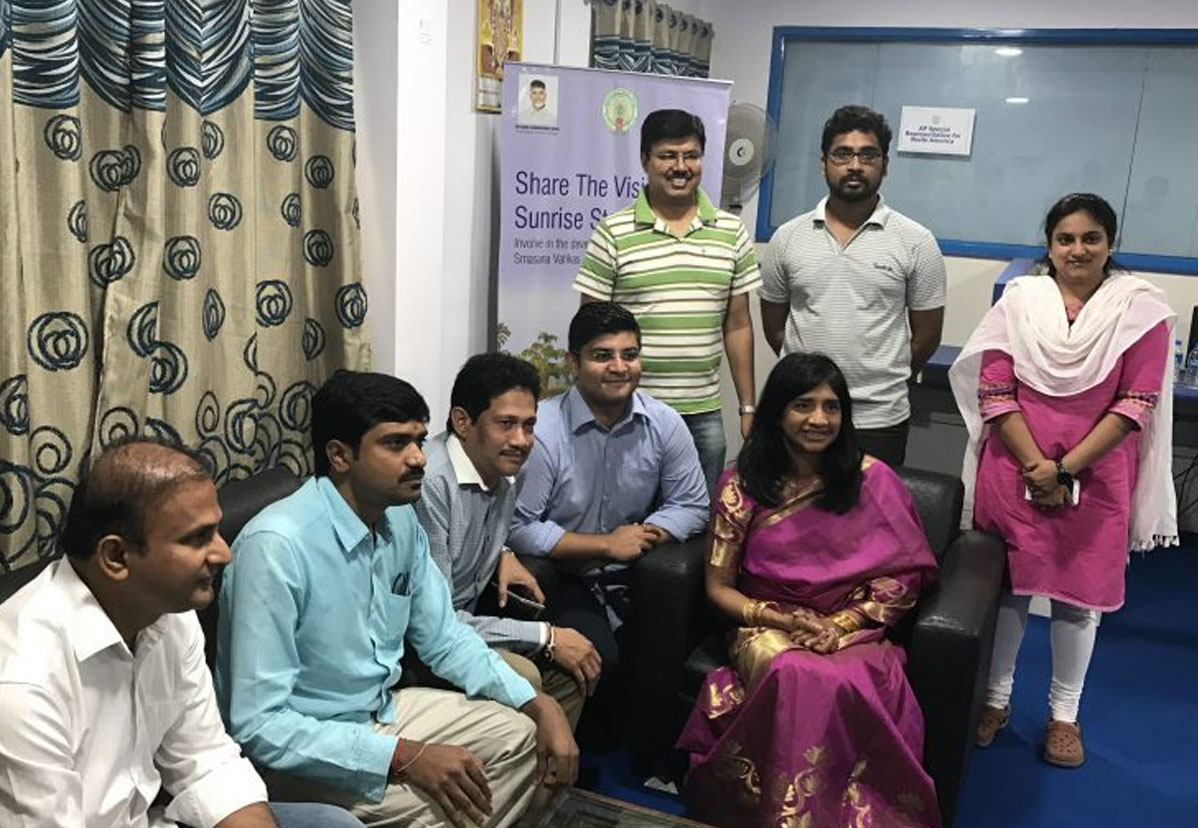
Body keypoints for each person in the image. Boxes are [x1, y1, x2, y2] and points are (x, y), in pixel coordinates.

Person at [215, 370, 577, 828]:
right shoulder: (276, 547)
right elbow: (260, 725)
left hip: (380, 709)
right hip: (300, 750)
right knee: (454, 802)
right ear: (340, 455)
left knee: (520, 736)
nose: (418, 458)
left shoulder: (399, 519)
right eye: (395, 443)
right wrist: (403, 757)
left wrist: (537, 703)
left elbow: (444, 637)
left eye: (419, 441)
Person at [0, 437, 362, 828]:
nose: (224, 553)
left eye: (217, 531)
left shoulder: (167, 611)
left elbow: (205, 759)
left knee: (333, 823)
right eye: (197, 538)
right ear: (116, 557)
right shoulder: (23, 680)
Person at [948, 193, 1176, 768]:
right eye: (1065, 239)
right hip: (1015, 469)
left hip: (1097, 477)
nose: (1078, 250)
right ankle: (993, 700)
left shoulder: (1140, 310)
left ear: (1110, 243)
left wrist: (1065, 469)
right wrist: (1038, 468)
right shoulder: (1020, 301)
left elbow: (1137, 402)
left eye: (1090, 238)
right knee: (1009, 589)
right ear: (1048, 246)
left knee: (1079, 599)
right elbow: (996, 391)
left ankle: (1064, 715)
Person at [676, 353, 940, 828]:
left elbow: (904, 577)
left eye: (831, 407)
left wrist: (840, 624)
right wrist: (779, 620)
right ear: (778, 411)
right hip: (766, 624)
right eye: (803, 405)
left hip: (852, 626)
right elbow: (719, 588)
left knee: (839, 678)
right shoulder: (742, 484)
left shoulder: (872, 480)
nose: (819, 419)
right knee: (796, 671)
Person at [507, 302, 708, 697]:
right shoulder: (542, 429)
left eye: (629, 355)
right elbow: (519, 528)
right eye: (602, 356)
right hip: (564, 575)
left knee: (667, 657)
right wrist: (605, 546)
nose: (619, 367)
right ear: (573, 362)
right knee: (602, 655)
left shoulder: (664, 422)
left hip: (637, 572)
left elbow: (693, 504)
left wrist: (643, 536)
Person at [575, 108, 761, 492]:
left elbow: (739, 325)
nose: (680, 167)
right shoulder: (613, 232)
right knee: (626, 514)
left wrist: (748, 406)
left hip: (703, 414)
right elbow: (590, 330)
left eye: (691, 155)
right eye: (667, 156)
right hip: (630, 410)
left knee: (699, 517)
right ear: (646, 160)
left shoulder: (731, 231)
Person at [414, 352, 599, 729]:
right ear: (462, 422)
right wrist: (546, 636)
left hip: (465, 626)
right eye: (506, 424)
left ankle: (537, 765)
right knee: (527, 676)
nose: (521, 440)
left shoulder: (506, 469)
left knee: (573, 670)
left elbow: (476, 526)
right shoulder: (430, 484)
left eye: (529, 425)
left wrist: (503, 551)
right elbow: (437, 623)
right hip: (422, 643)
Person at [759, 104, 947, 468]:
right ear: (824, 163)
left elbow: (927, 337)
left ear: (885, 165)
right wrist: (808, 385)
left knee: (872, 505)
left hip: (879, 417)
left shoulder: (916, 241)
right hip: (800, 413)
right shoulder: (788, 237)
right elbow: (774, 327)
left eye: (868, 155)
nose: (855, 165)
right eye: (843, 154)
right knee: (794, 503)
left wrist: (883, 375)